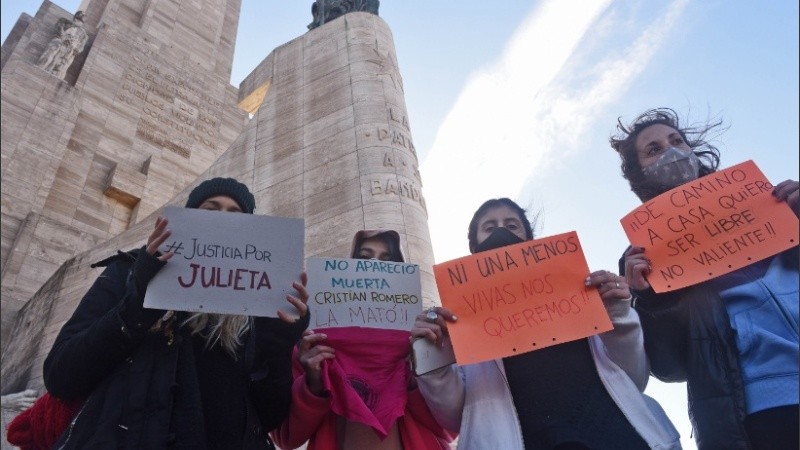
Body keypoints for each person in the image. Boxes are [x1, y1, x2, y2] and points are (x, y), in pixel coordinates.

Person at [42, 177, 310, 449]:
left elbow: (270, 417)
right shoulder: (131, 272)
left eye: (235, 214)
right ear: (189, 216)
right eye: (210, 209)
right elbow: (61, 375)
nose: (221, 219)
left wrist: (277, 344)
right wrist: (141, 300)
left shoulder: (254, 306)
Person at [414, 198, 681, 450]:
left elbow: (634, 377)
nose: (501, 233)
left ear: (530, 240)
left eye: (511, 225)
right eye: (489, 227)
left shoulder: (579, 293)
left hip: (618, 436)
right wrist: (433, 355)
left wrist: (619, 313)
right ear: (473, 250)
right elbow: (453, 417)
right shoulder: (461, 323)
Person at [610, 108, 799, 450]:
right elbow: (669, 367)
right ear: (640, 176)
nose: (671, 151)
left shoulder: (772, 206)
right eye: (654, 150)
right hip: (767, 408)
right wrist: (651, 300)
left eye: (676, 141)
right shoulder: (644, 260)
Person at [272, 230, 453, 449]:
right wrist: (314, 384)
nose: (374, 265)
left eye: (388, 261)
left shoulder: (422, 337)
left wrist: (421, 368)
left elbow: (448, 428)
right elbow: (286, 438)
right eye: (365, 258)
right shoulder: (314, 343)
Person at [36, 11, 88, 79]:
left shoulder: (84, 35)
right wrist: (64, 37)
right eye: (78, 18)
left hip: (70, 49)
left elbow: (80, 49)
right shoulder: (64, 21)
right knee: (54, 48)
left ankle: (57, 75)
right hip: (59, 41)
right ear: (75, 17)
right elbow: (58, 31)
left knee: (67, 59)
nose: (78, 20)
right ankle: (41, 67)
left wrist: (74, 47)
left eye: (80, 20)